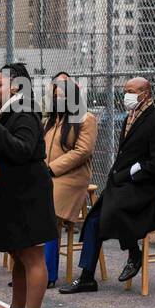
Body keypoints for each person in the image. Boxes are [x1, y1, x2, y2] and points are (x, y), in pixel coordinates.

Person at [59, 77, 155, 295]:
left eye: (132, 91)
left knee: (112, 211)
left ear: (145, 94)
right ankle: (86, 278)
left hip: (143, 186)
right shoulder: (130, 117)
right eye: (125, 90)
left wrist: (134, 172)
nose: (126, 95)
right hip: (121, 183)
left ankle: (134, 254)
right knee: (93, 221)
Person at [0, 63, 59, 308]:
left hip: (28, 195)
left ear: (15, 86)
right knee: (17, 256)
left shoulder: (25, 109)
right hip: (7, 194)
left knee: (32, 256)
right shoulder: (7, 110)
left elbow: (21, 150)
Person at [41, 74, 98, 288]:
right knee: (29, 210)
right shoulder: (50, 120)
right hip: (46, 175)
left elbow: (83, 151)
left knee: (48, 214)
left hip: (71, 177)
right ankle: (32, 269)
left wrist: (52, 169)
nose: (58, 99)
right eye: (55, 95)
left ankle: (47, 274)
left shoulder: (85, 118)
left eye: (63, 95)